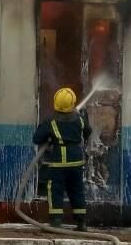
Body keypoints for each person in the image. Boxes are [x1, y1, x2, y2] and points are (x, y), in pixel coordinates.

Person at [32, 86, 92, 230]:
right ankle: (81, 223)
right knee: (77, 190)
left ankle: (56, 221)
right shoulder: (80, 119)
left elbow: (37, 138)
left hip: (59, 162)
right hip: (77, 161)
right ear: (72, 104)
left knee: (55, 190)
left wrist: (50, 137)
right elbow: (88, 132)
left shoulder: (51, 121)